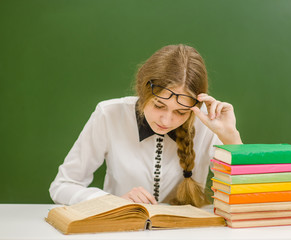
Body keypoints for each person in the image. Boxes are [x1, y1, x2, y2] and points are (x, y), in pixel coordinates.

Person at [49, 44, 242, 207]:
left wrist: (230, 137)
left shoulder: (207, 124)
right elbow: (63, 185)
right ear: (143, 91)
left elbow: (244, 195)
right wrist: (111, 202)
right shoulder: (110, 114)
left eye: (180, 112)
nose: (166, 121)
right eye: (159, 105)